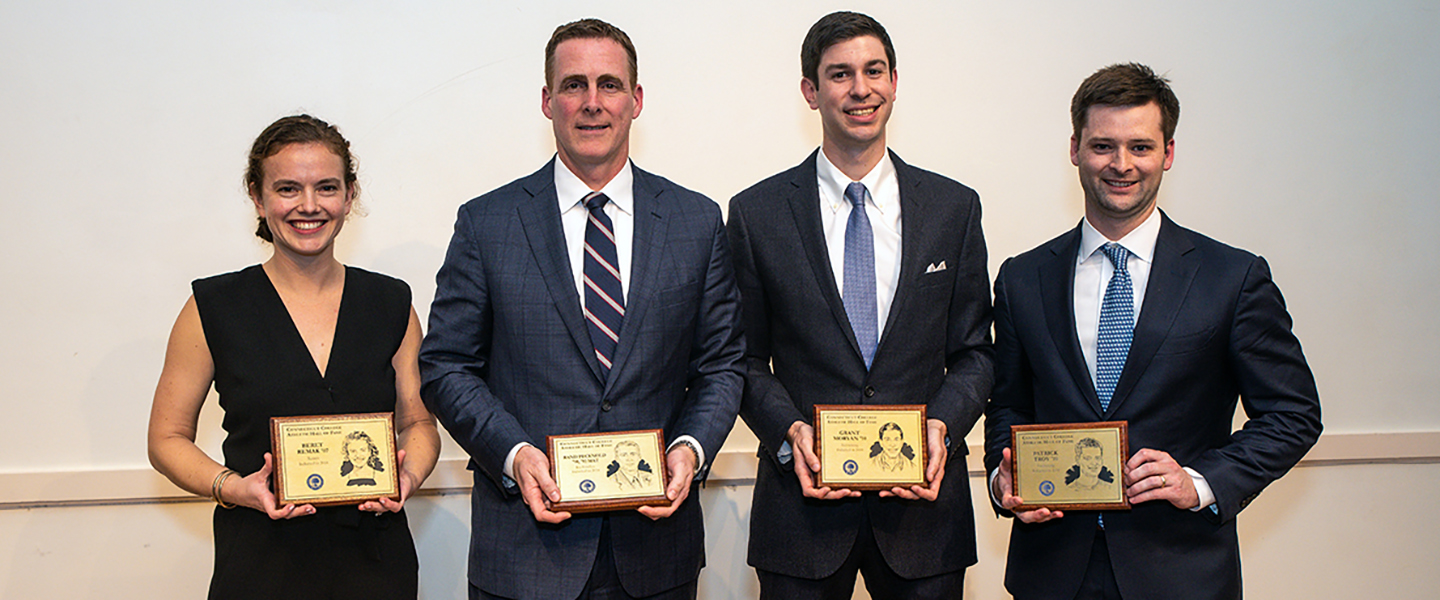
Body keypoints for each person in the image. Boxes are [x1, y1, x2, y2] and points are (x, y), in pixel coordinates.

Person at [418, 18, 744, 600]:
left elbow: (722, 364)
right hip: (524, 550)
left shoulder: (696, 221)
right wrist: (514, 455)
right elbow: (445, 366)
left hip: (656, 553)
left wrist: (690, 449)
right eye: (573, 85)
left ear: (636, 100)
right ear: (548, 101)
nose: (592, 103)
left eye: (609, 85)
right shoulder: (486, 223)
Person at [984, 63, 1323, 599]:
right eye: (1103, 146)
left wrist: (1202, 482)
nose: (1121, 165)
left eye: (1140, 147)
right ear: (1074, 149)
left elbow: (1293, 414)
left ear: (1168, 153)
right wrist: (1007, 483)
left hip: (1181, 569)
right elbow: (1008, 406)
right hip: (1051, 572)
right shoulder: (1022, 278)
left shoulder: (1231, 277)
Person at [726, 11, 993, 599]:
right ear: (811, 91)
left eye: (874, 71)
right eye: (839, 74)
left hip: (924, 514)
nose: (860, 89)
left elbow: (975, 352)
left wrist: (943, 428)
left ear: (895, 80)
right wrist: (788, 429)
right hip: (802, 511)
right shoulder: (755, 214)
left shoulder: (954, 208)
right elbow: (741, 359)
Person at [147, 114, 440, 599]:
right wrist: (234, 487)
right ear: (258, 198)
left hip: (376, 563)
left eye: (326, 187)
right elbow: (166, 439)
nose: (309, 206)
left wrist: (409, 476)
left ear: (349, 196)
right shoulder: (212, 307)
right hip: (260, 563)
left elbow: (419, 423)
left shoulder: (391, 303)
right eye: (288, 189)